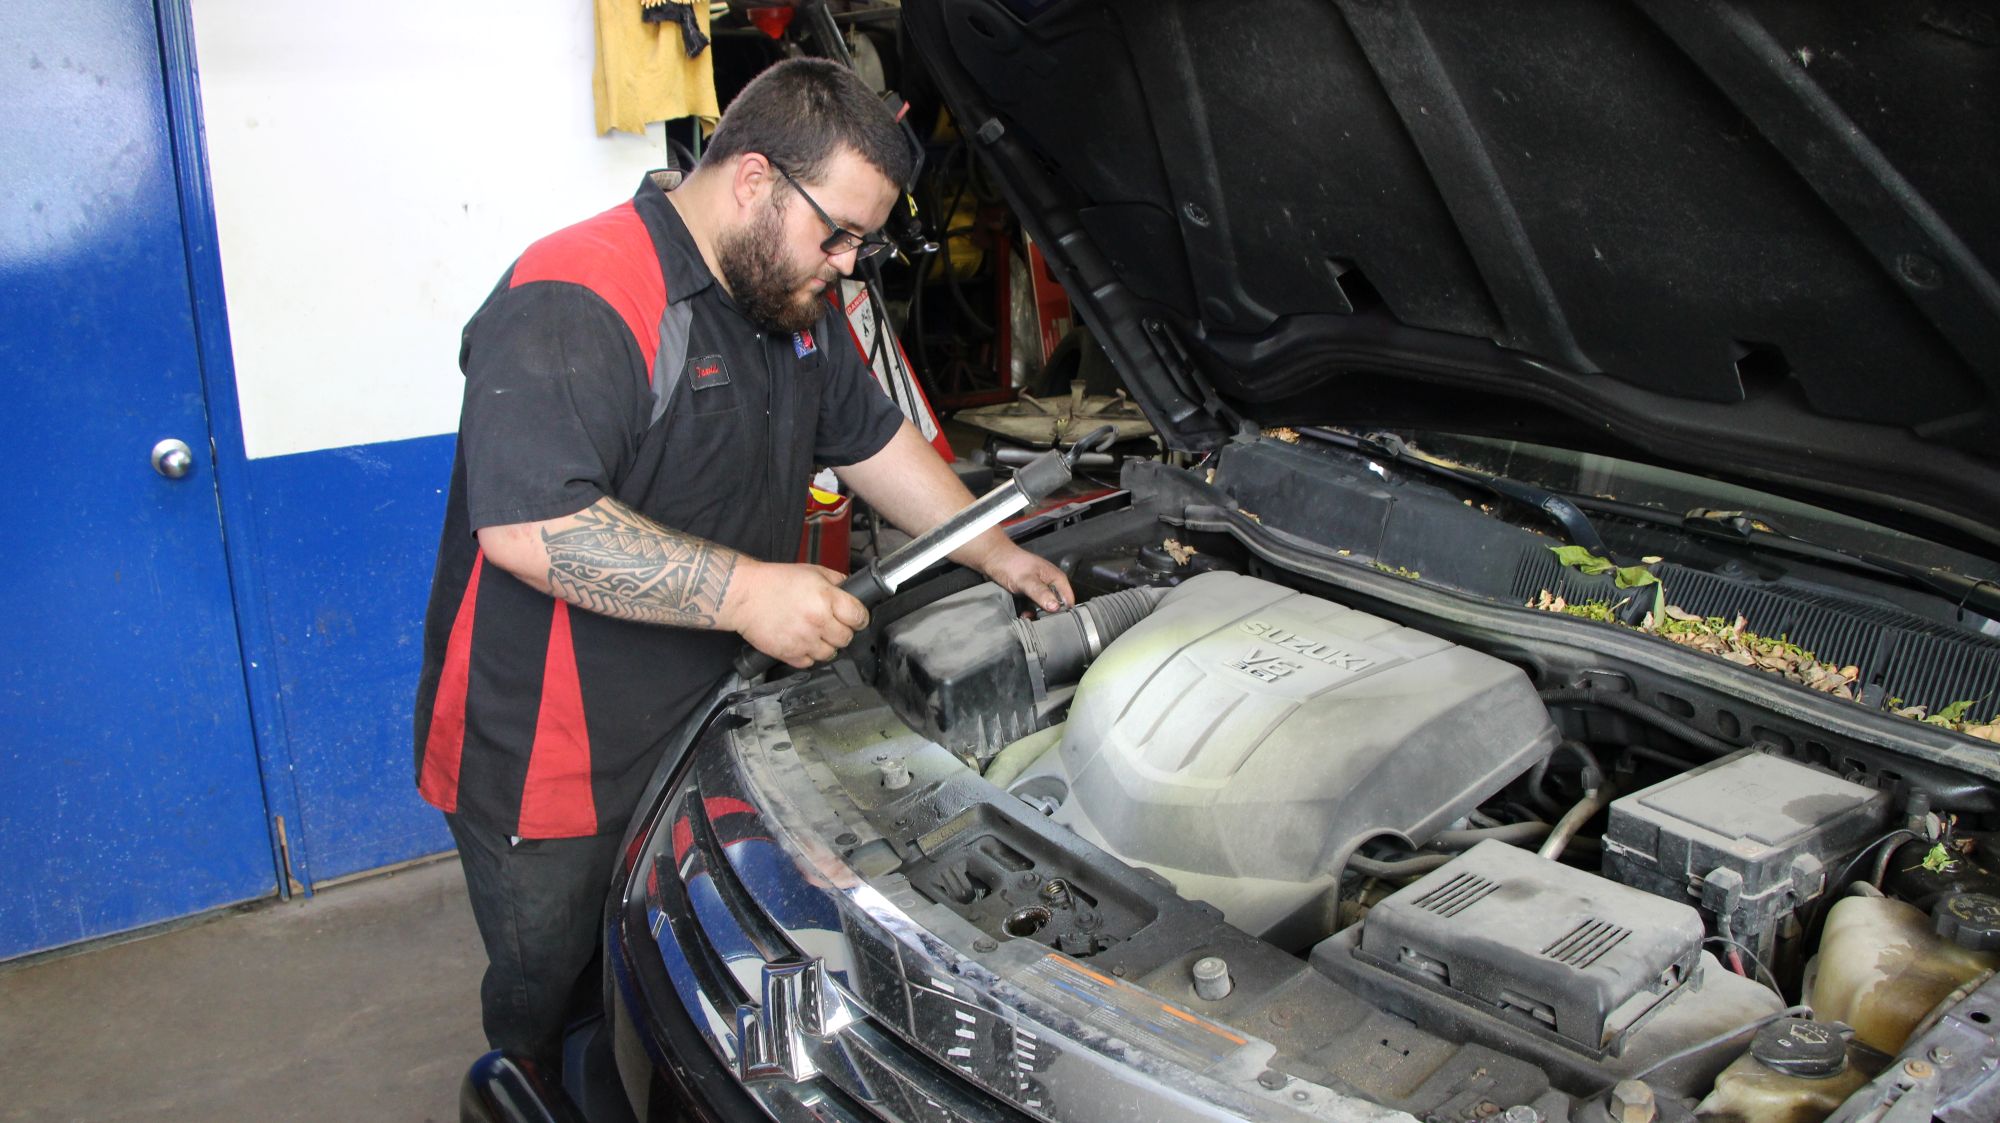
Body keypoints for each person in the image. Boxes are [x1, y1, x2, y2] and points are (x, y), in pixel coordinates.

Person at [411, 57, 1073, 1071]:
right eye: (837, 234)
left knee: (691, 987)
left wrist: (992, 548)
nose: (847, 265)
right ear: (755, 180)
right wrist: (748, 591)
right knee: (565, 1011)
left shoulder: (786, 298)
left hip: (715, 721)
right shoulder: (580, 291)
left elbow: (871, 439)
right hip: (557, 760)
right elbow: (533, 526)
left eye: (862, 243)